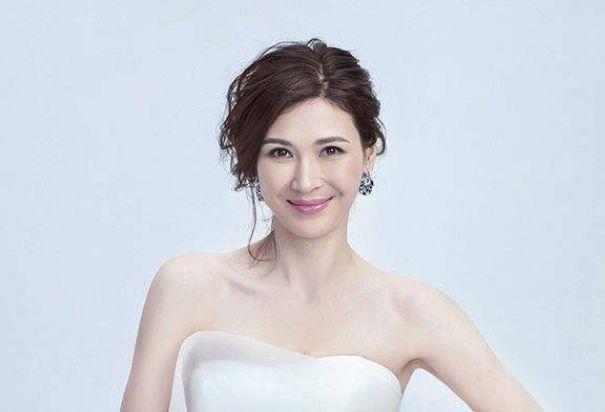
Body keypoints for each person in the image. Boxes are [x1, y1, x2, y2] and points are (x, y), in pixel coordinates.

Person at [120, 38, 543, 412]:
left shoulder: (411, 312)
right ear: (253, 162)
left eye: (331, 151)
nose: (306, 181)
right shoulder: (186, 287)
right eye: (281, 153)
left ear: (368, 155)